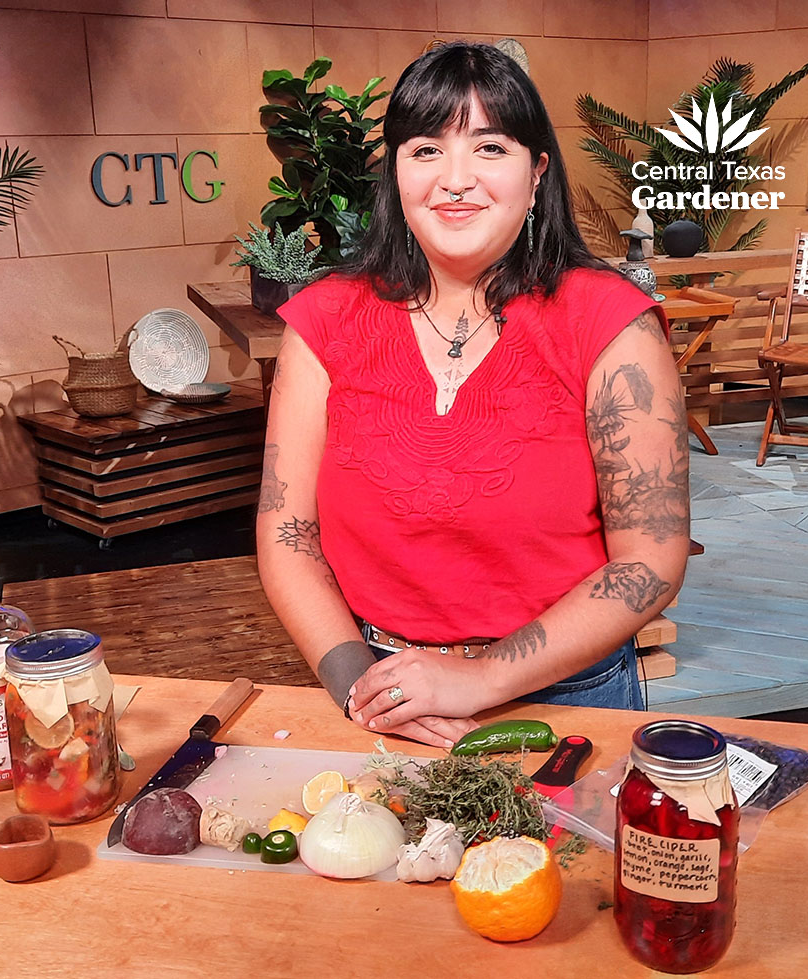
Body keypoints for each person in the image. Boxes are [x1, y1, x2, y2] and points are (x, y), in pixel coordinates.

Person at [255, 42, 690, 748]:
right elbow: (287, 535)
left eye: (489, 147)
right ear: (395, 173)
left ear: (536, 170)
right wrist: (357, 681)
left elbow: (649, 560)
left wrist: (480, 677)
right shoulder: (324, 321)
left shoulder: (610, 325)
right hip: (381, 690)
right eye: (426, 150)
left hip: (567, 698)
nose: (455, 180)